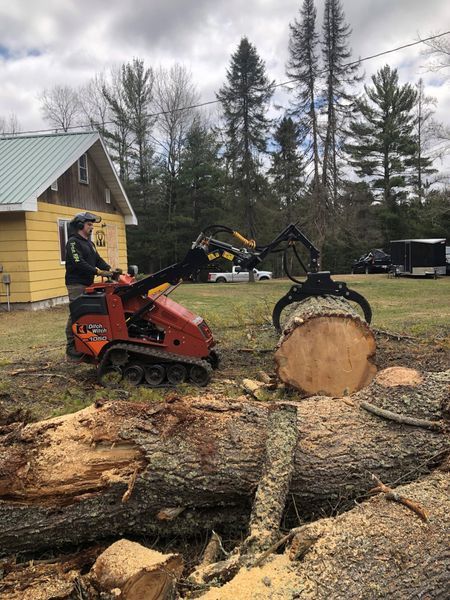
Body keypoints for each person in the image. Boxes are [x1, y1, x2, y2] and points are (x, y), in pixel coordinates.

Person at [65, 212, 112, 359]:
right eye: (89, 224)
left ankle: (86, 343)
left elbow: (97, 259)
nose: (92, 227)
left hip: (88, 283)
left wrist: (110, 269)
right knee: (77, 313)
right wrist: (98, 272)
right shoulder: (73, 242)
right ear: (80, 225)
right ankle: (71, 345)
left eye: (92, 224)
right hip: (76, 283)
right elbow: (78, 262)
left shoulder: (90, 243)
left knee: (87, 314)